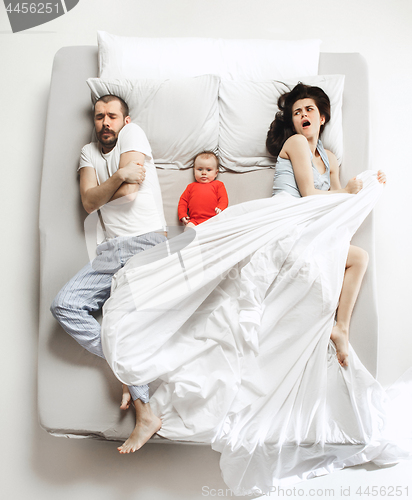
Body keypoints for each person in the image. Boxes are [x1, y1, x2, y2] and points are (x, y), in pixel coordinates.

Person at [50, 94, 166, 453]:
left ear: (124, 121)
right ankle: (127, 367)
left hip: (147, 243)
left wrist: (106, 189)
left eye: (112, 116)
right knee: (65, 305)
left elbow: (130, 194)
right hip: (110, 251)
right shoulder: (88, 154)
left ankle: (145, 413)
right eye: (99, 116)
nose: (105, 122)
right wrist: (118, 174)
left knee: (127, 325)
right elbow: (88, 203)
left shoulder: (134, 135)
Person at [266, 83, 386, 367]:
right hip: (289, 216)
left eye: (309, 109)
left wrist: (371, 184)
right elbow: (308, 194)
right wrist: (346, 191)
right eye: (297, 112)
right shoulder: (295, 143)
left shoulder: (330, 158)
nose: (302, 115)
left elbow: (335, 205)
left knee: (360, 258)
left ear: (321, 118)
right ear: (293, 121)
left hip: (312, 224)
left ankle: (340, 328)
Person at [178, 151, 228, 228]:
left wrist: (221, 207)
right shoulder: (191, 186)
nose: (204, 173)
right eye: (200, 169)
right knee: (188, 230)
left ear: (216, 173)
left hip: (214, 219)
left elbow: (223, 198)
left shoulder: (218, 185)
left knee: (220, 229)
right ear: (194, 170)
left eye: (208, 170)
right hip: (195, 221)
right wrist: (182, 214)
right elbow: (183, 201)